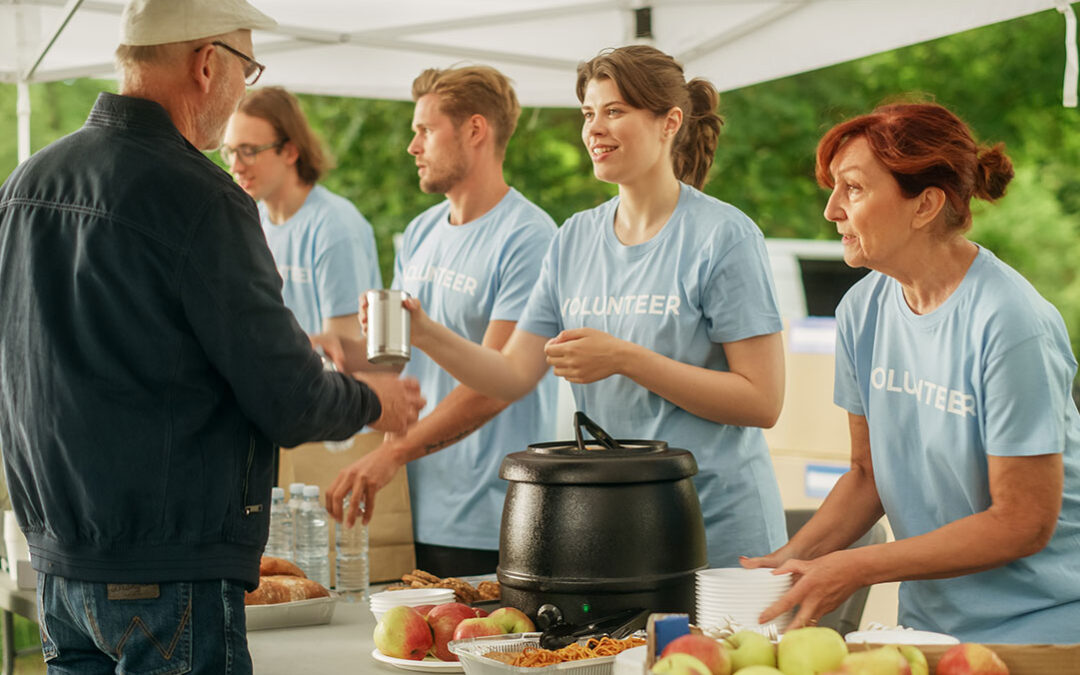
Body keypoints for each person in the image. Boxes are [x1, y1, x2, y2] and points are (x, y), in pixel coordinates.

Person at [0, 0, 424, 672]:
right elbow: (286, 397)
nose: (240, 91)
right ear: (206, 65)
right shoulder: (204, 198)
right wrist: (374, 400)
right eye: (245, 69)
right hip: (167, 570)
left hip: (58, 566)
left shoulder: (24, 186)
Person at [392, 45, 789, 569]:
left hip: (717, 527)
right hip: (615, 525)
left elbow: (762, 401)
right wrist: (422, 331)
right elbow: (510, 376)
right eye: (588, 113)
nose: (594, 129)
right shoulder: (574, 237)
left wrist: (627, 359)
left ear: (670, 122)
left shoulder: (724, 236)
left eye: (615, 111)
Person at [742, 101, 1080, 643]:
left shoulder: (1012, 323)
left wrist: (860, 565)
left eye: (852, 188)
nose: (831, 210)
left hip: (1044, 627)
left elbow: (1024, 521)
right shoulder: (862, 310)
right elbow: (867, 475)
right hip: (929, 628)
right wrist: (784, 563)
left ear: (924, 205)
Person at [324, 66, 558, 577]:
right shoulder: (422, 229)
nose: (412, 146)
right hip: (411, 505)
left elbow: (496, 384)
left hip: (491, 515)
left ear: (475, 131)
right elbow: (402, 361)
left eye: (425, 130)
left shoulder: (529, 237)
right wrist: (332, 352)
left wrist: (393, 455)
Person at [223, 87, 381, 341]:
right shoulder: (254, 222)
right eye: (230, 151)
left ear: (290, 151)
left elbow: (344, 348)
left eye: (249, 151)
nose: (235, 166)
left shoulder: (335, 228)